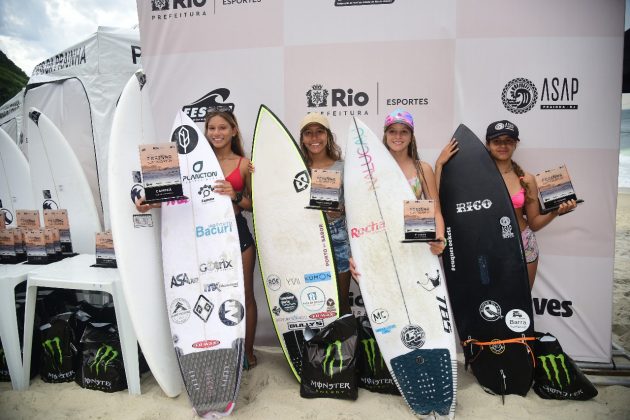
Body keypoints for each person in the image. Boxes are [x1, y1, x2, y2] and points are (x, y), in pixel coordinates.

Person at [136, 110, 258, 369]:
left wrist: (234, 195)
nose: (217, 133)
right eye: (211, 128)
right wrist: (150, 203)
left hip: (237, 233)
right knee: (209, 293)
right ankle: (216, 347)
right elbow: (177, 197)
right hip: (202, 237)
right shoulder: (189, 161)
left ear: (234, 130)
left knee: (244, 293)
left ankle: (246, 352)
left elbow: (254, 205)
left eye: (223, 127)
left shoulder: (245, 164)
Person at [435, 120, 577, 289]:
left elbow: (534, 223)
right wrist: (439, 164)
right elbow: (440, 199)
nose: (503, 146)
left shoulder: (527, 179)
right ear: (487, 144)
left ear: (516, 144)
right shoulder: (473, 178)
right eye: (497, 141)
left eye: (508, 141)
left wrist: (555, 212)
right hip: (488, 246)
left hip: (524, 244)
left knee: (521, 307)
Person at [349, 109, 448, 280]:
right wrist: (357, 253)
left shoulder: (422, 169)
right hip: (382, 246)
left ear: (411, 136)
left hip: (416, 248)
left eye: (404, 132)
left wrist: (440, 239)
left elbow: (436, 211)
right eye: (392, 131)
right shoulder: (370, 170)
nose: (398, 136)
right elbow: (361, 216)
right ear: (385, 135)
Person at [299, 113, 352, 315]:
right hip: (306, 241)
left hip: (338, 239)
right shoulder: (295, 169)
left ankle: (346, 346)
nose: (314, 138)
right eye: (308, 133)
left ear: (328, 135)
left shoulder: (343, 167)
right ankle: (317, 347)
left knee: (341, 302)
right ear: (302, 138)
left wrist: (339, 210)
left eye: (319, 132)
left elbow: (356, 204)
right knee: (312, 302)